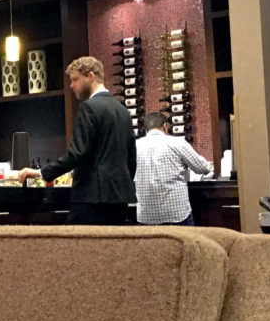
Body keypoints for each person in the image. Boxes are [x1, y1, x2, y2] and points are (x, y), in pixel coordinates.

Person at [17, 56, 136, 224]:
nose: (71, 86)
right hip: (120, 197)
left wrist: (40, 173)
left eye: (75, 80)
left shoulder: (88, 108)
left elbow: (77, 153)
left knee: (75, 246)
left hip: (92, 197)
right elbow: (131, 159)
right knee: (111, 248)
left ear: (90, 76)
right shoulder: (123, 111)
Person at [134, 112, 213, 226]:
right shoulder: (177, 143)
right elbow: (202, 168)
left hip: (146, 217)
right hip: (176, 215)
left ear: (145, 129)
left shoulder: (135, 146)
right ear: (165, 126)